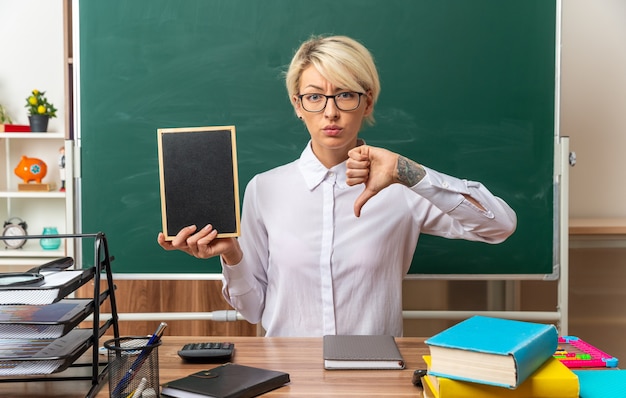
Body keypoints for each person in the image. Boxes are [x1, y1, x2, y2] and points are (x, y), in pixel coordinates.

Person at [157, 35, 517, 337]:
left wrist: (410, 172)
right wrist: (232, 256)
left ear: (367, 101)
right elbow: (253, 311)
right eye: (315, 97)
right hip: (287, 375)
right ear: (297, 105)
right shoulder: (264, 189)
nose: (330, 112)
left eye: (345, 94)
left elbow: (499, 225)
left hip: (373, 375)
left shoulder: (402, 187)